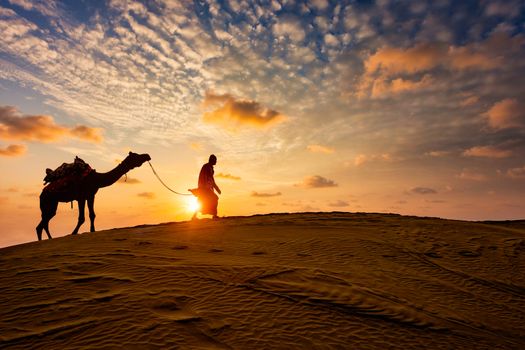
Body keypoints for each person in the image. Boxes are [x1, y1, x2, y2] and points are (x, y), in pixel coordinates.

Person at [190, 154, 221, 219]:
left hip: (206, 188)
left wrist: (216, 188)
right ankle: (214, 215)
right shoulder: (207, 167)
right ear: (212, 160)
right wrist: (216, 188)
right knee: (214, 198)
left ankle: (194, 216)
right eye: (215, 160)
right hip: (205, 188)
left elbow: (211, 179)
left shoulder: (209, 167)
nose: (216, 161)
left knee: (201, 201)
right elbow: (208, 179)